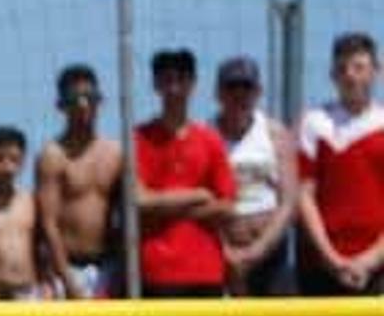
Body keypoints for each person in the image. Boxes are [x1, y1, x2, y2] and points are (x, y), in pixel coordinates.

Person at [134, 49, 235, 299]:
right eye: (167, 80)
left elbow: (227, 205)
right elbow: (139, 201)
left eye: (181, 80)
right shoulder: (139, 138)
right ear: (156, 85)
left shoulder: (209, 140)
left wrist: (164, 208)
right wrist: (197, 194)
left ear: (192, 85)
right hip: (157, 269)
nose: (174, 88)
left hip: (205, 269)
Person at [296, 32, 384, 296]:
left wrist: (370, 260)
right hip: (321, 266)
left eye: (359, 67)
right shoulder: (315, 122)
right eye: (342, 68)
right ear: (333, 75)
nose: (350, 75)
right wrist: (332, 259)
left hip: (377, 266)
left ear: (375, 71)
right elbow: (304, 195)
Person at [36, 65, 124, 298]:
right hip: (68, 268)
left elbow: (126, 216)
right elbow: (48, 223)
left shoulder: (115, 153)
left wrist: (121, 272)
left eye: (90, 98)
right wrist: (67, 280)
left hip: (109, 268)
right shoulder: (53, 156)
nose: (84, 105)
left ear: (100, 102)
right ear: (61, 105)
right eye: (76, 99)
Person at [213, 56, 295, 298]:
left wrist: (259, 249)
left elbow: (289, 201)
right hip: (225, 253)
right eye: (231, 88)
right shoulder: (208, 136)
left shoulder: (274, 133)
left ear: (258, 92)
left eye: (246, 88)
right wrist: (226, 251)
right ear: (218, 93)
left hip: (271, 253)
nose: (239, 96)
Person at [0, 127, 38, 298]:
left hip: (26, 291)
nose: (7, 167)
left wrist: (46, 284)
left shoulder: (30, 201)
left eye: (14, 160)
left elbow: (41, 248)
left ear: (23, 163)